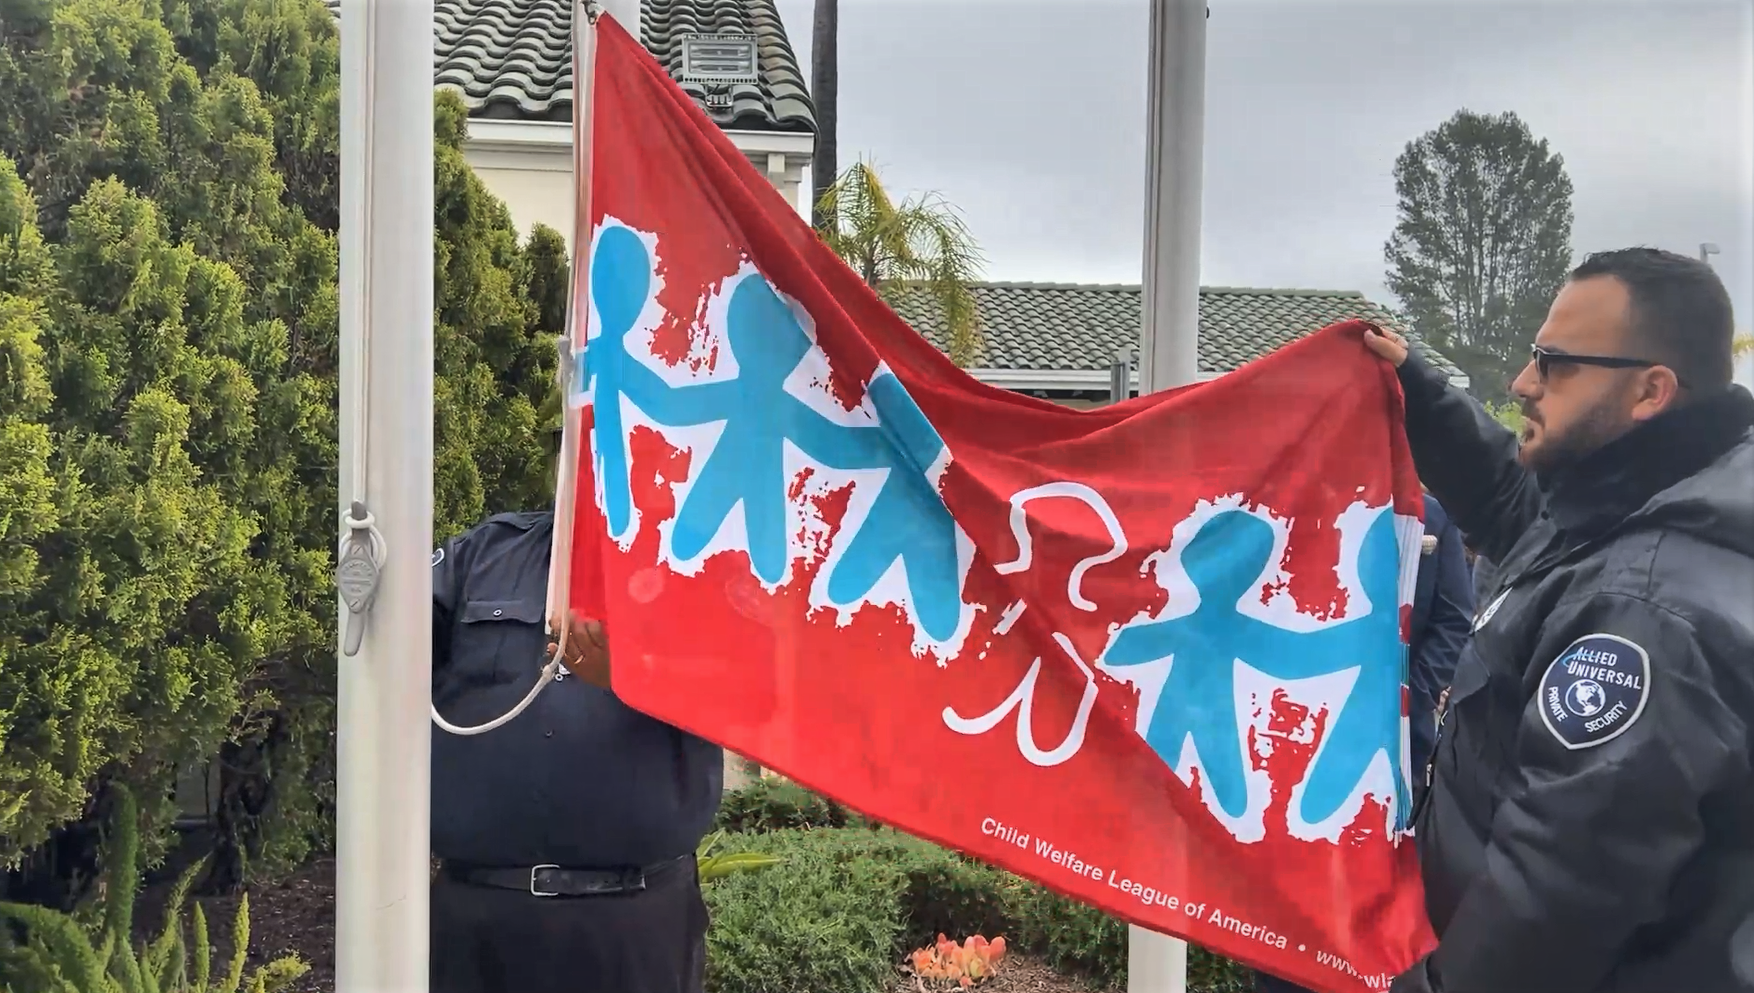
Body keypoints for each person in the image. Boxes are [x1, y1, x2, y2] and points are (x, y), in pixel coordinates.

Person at [1362, 247, 1754, 993]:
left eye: (1554, 363)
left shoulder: (1644, 614)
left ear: (1650, 390)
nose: (1522, 382)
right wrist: (1417, 386)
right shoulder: (1625, 495)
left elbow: (1551, 901)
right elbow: (1515, 506)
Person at [430, 509, 724, 993]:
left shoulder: (695, 564)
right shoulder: (483, 555)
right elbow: (381, 648)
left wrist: (640, 675)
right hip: (479, 924)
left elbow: (755, 693)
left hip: (635, 925)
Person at [1251, 492, 1475, 993]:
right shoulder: (1304, 497)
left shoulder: (1429, 514)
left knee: (1371, 896)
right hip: (1298, 746)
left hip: (1392, 754)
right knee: (1286, 905)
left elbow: (1455, 617)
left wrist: (1409, 695)